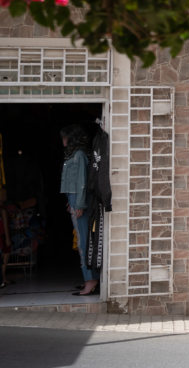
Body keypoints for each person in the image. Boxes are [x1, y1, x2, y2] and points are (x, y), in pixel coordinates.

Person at [60, 124, 99, 296]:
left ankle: (91, 281)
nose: (63, 140)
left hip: (80, 202)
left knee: (84, 242)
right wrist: (71, 201)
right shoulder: (74, 155)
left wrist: (80, 204)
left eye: (65, 136)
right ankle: (88, 279)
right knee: (80, 241)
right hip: (74, 200)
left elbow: (82, 182)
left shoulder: (79, 155)